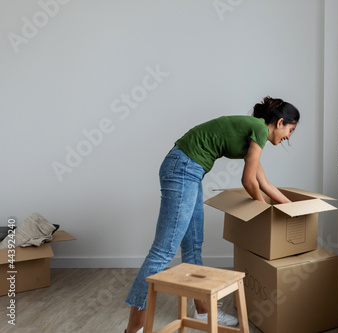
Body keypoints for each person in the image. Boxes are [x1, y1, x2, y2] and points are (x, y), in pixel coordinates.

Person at [124, 96, 300, 333]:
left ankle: (203, 311)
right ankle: (133, 329)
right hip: (183, 168)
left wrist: (294, 208)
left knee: (193, 245)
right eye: (291, 129)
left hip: (188, 170)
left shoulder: (254, 132)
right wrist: (264, 210)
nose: (289, 136)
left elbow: (263, 182)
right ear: (280, 123)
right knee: (163, 250)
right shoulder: (259, 128)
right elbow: (248, 182)